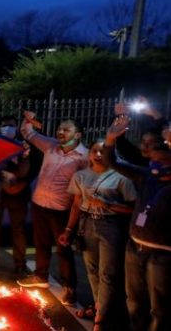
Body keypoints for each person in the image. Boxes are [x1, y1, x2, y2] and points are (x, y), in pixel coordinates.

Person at [57, 140, 137, 330]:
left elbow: (133, 208)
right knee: (92, 270)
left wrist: (107, 205)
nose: (98, 155)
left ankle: (101, 318)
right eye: (95, 151)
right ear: (90, 153)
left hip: (111, 225)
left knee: (107, 273)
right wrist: (68, 230)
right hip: (87, 224)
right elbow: (77, 204)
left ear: (112, 154)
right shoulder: (81, 175)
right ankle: (99, 307)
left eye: (103, 151)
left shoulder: (121, 177)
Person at [105, 115, 171, 331]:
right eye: (152, 157)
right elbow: (112, 161)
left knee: (159, 308)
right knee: (134, 300)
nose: (154, 159)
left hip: (162, 254)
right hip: (135, 247)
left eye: (159, 156)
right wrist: (111, 139)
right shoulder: (146, 177)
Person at [16, 112, 88, 306]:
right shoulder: (50, 146)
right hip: (40, 203)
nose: (61, 132)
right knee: (41, 244)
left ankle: (69, 287)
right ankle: (41, 276)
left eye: (66, 129)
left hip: (62, 208)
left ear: (78, 134)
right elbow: (27, 133)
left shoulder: (85, 157)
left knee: (63, 248)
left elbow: (84, 187)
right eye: (59, 129)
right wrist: (29, 120)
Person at [0, 116, 33, 276]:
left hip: (19, 194)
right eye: (4, 125)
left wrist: (23, 158)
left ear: (16, 128)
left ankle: (20, 264)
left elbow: (32, 169)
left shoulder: (24, 145)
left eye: (11, 126)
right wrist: (2, 174)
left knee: (18, 231)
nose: (7, 129)